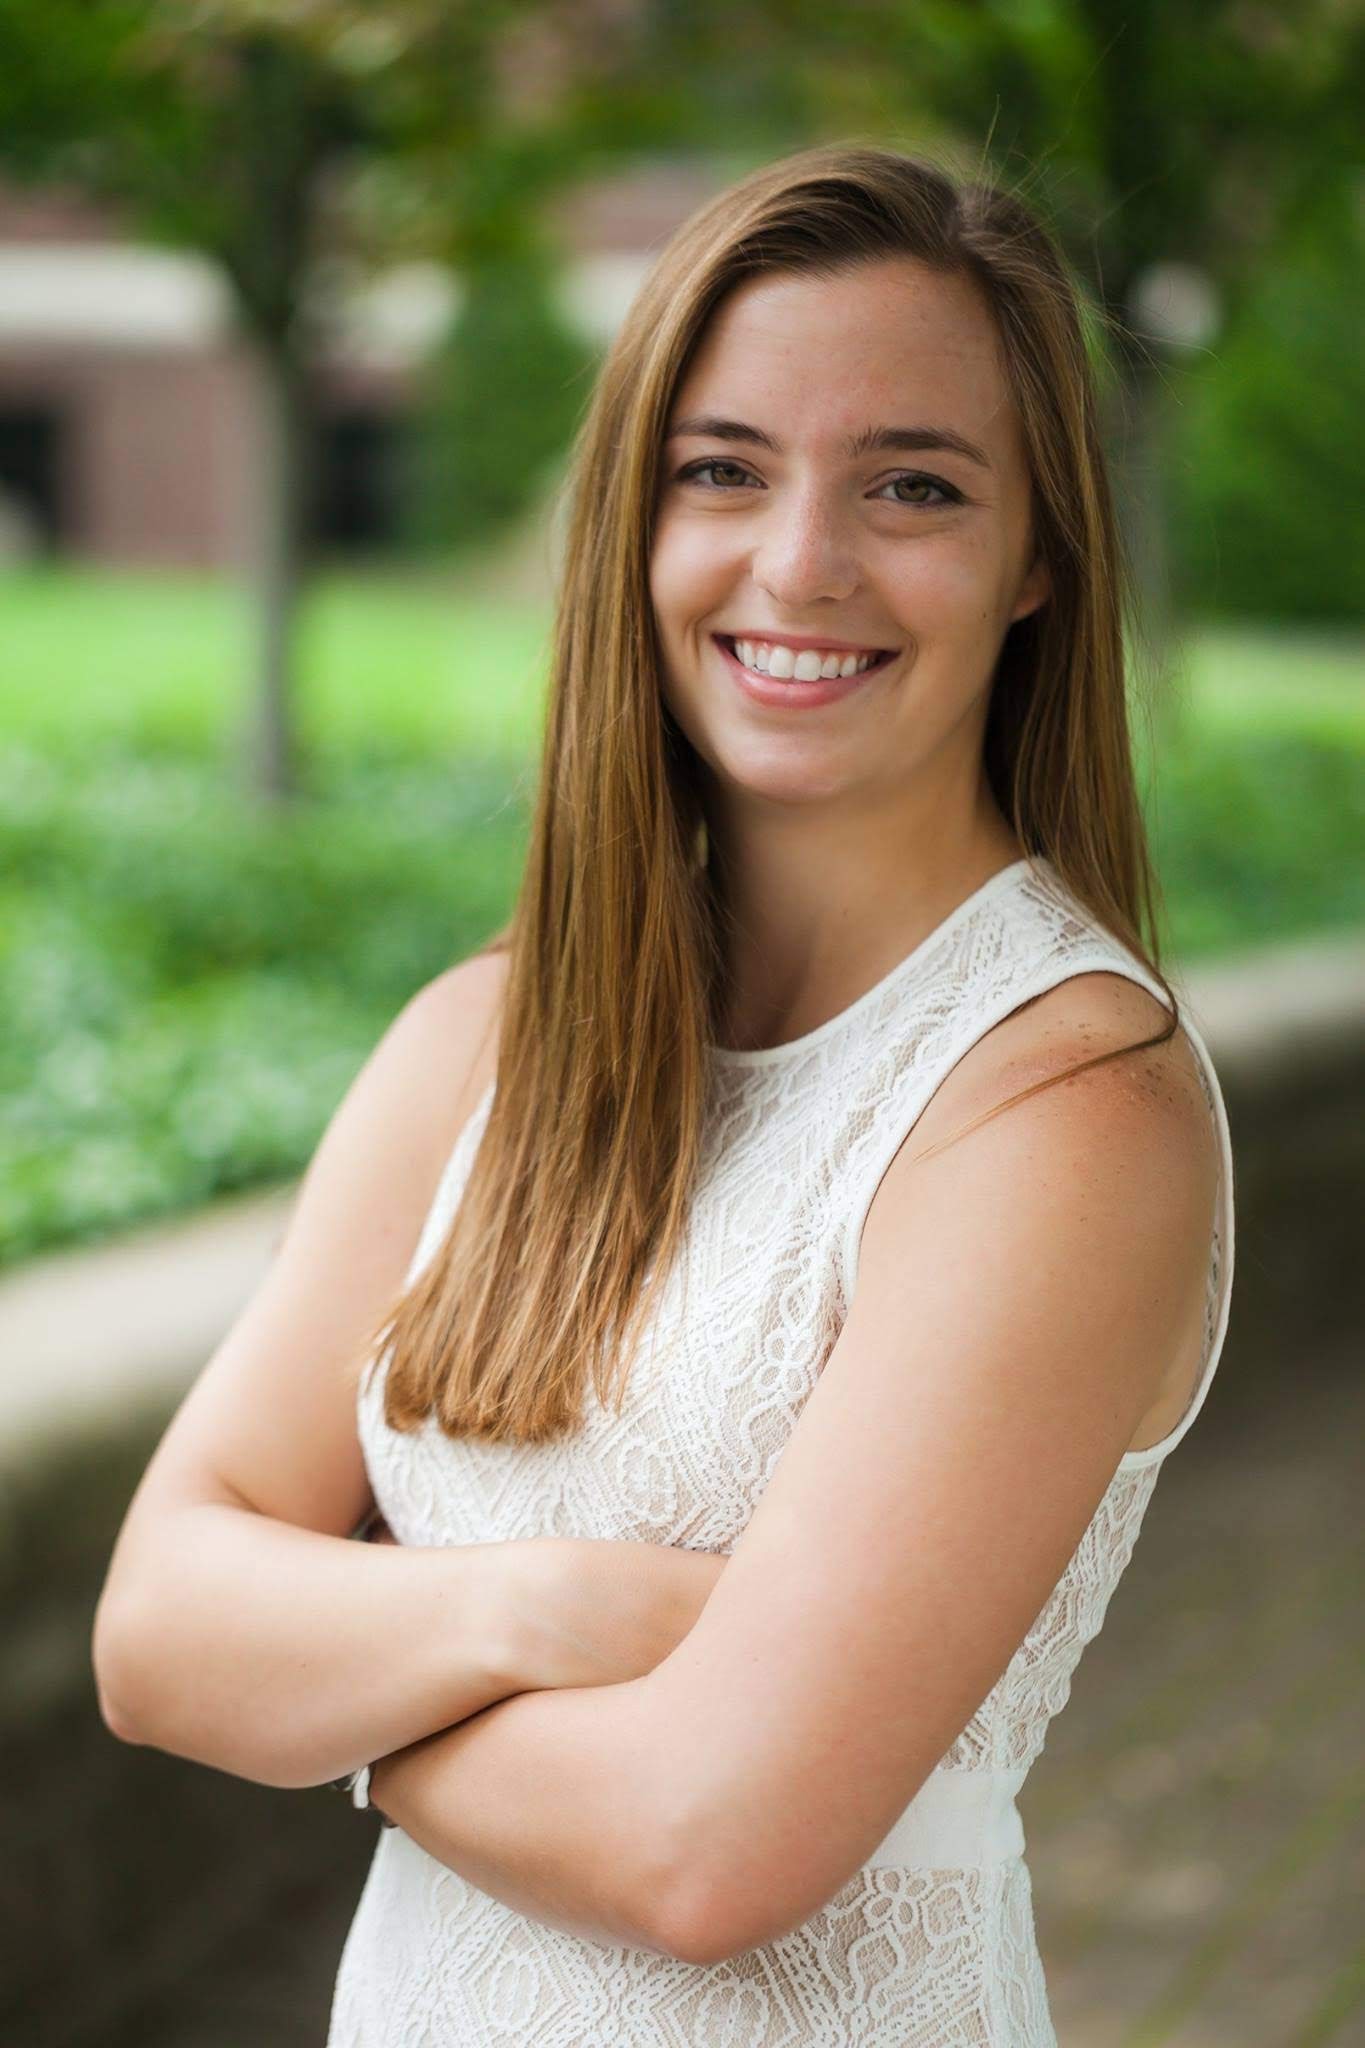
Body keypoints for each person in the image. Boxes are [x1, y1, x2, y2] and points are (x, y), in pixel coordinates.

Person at [93, 143, 1235, 2046]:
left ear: (1038, 555)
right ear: (631, 518)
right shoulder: (484, 1040)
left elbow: (708, 1847)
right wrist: (534, 1615)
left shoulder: (1058, 1111)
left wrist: (335, 1708)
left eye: (913, 485)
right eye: (723, 470)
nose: (800, 565)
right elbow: (153, 1630)